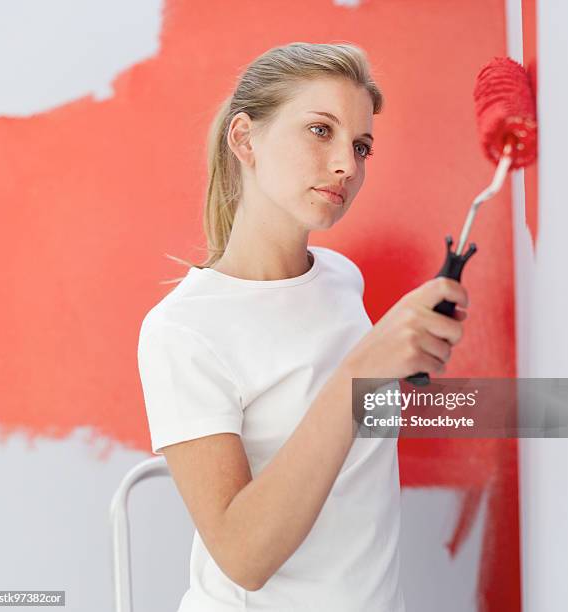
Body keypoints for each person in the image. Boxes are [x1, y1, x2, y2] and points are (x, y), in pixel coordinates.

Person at [137, 41, 469, 612]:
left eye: (361, 146)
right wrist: (363, 369)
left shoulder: (341, 279)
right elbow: (244, 557)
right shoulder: (183, 331)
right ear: (245, 139)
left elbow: (353, 446)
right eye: (321, 130)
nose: (348, 163)